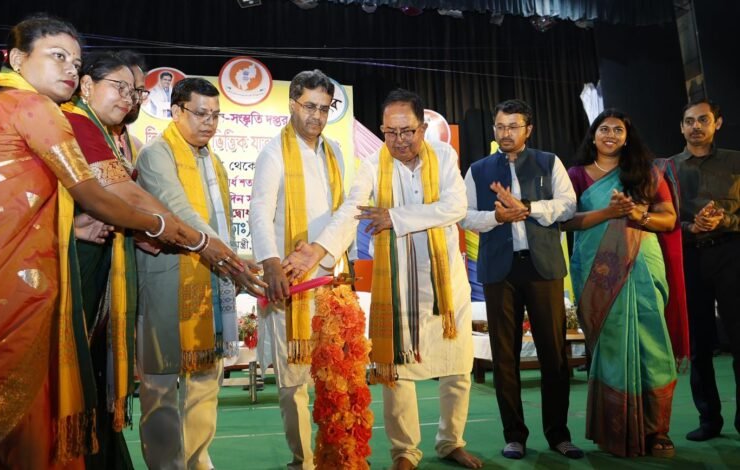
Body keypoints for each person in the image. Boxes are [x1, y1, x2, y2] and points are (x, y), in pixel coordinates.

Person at [0, 15, 187, 469]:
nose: (69, 68)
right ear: (18, 59)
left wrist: (72, 226)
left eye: (75, 62)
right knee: (6, 401)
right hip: (6, 286)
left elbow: (23, 201)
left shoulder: (0, 105)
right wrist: (169, 229)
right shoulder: (34, 107)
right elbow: (95, 196)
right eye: (58, 56)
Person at [283, 88, 482, 470]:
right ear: (382, 130)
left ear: (422, 128)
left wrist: (395, 217)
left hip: (445, 283)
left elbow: (455, 207)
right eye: (391, 132)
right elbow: (351, 211)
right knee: (396, 371)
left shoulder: (444, 155)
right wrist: (319, 250)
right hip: (398, 283)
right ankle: (405, 451)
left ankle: (451, 441)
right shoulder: (373, 164)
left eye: (407, 131)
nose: (400, 140)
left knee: (457, 366)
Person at [63, 50, 219, 470]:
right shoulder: (77, 123)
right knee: (85, 373)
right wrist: (193, 239)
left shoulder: (119, 137)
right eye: (121, 87)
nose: (129, 98)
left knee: (98, 375)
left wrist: (145, 231)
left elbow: (124, 206)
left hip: (110, 264)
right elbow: (126, 197)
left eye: (135, 91)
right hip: (80, 267)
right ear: (87, 85)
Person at [135, 76, 265, 470]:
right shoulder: (156, 155)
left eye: (215, 115)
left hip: (212, 278)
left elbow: (220, 225)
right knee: (160, 381)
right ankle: (166, 465)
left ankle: (196, 460)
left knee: (207, 378)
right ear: (176, 112)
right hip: (167, 279)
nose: (209, 122)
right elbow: (180, 212)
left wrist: (236, 260)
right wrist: (233, 261)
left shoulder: (214, 162)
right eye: (200, 113)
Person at [563, 109, 688, 457]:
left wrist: (636, 214)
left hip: (643, 265)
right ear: (593, 135)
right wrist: (609, 212)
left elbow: (668, 219)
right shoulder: (576, 175)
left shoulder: (645, 172)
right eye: (604, 129)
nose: (611, 135)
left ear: (627, 137)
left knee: (653, 342)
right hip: (598, 272)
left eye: (618, 130)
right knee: (611, 346)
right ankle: (614, 430)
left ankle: (657, 431)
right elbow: (566, 221)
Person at [461, 99, 581, 460]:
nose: (506, 133)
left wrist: (528, 208)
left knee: (553, 354)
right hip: (500, 271)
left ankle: (558, 434)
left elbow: (568, 204)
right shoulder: (478, 170)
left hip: (543, 268)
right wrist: (497, 218)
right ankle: (514, 435)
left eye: (513, 126)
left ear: (528, 129)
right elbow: (465, 216)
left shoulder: (549, 162)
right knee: (504, 357)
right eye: (500, 126)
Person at [248, 69, 346, 470]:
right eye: (309, 107)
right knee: (294, 381)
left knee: (335, 374)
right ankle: (302, 460)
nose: (317, 116)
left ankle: (335, 454)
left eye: (324, 108)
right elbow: (259, 211)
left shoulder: (335, 152)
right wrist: (271, 263)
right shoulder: (274, 152)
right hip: (291, 282)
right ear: (292, 104)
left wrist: (325, 253)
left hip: (330, 277)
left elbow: (345, 212)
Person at [670, 100, 740, 441]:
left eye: (703, 120)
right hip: (689, 257)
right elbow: (661, 216)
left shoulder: (736, 161)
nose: (695, 126)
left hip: (732, 254)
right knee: (698, 344)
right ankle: (709, 420)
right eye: (689, 121)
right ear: (681, 127)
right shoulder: (667, 168)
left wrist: (725, 220)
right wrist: (690, 227)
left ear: (718, 123)